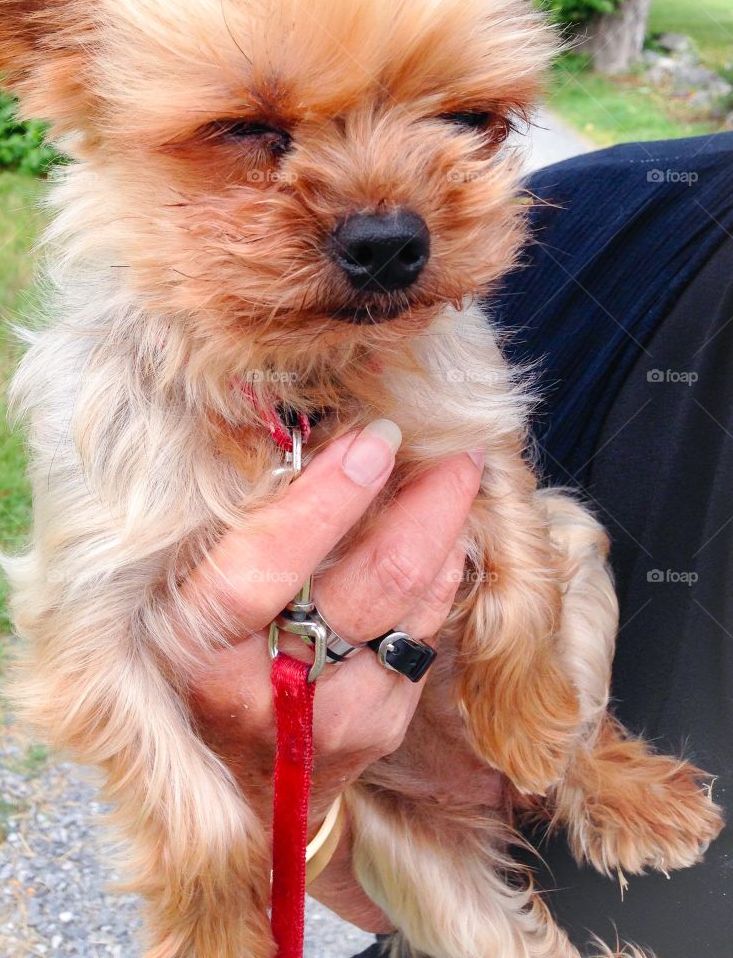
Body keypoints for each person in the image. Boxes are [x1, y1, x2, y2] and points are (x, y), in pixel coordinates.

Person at [184, 133, 733, 958]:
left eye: (467, 118)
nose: (393, 224)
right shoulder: (594, 224)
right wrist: (294, 814)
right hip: (405, 827)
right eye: (256, 133)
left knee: (557, 543)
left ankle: (586, 765)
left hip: (495, 752)